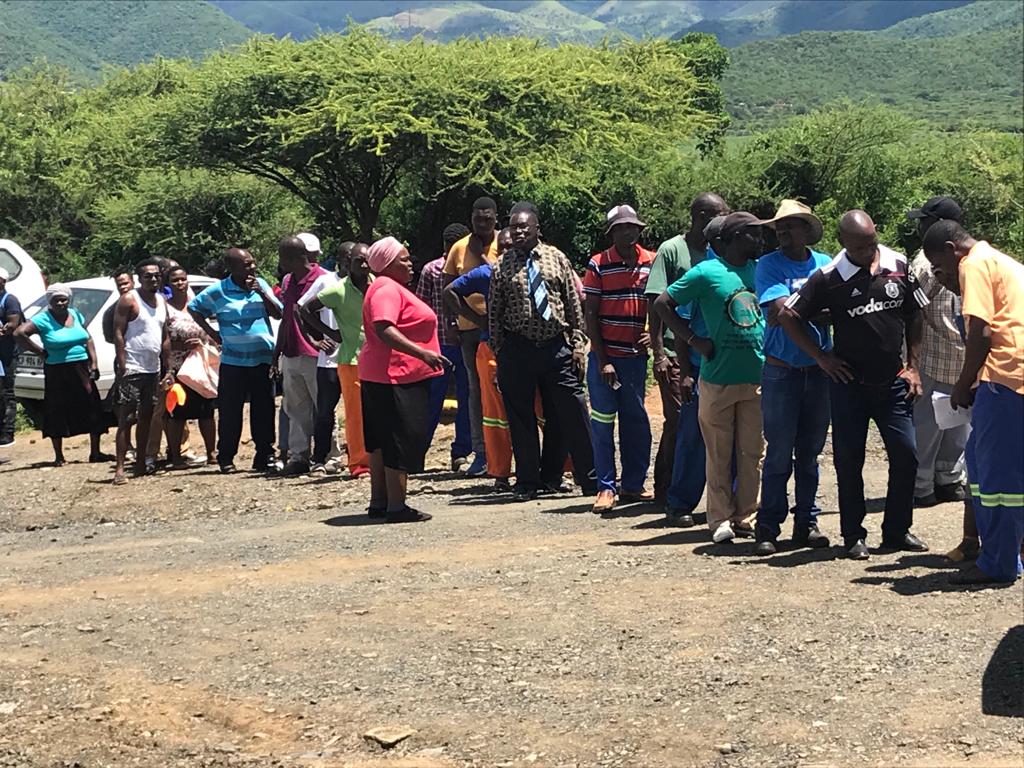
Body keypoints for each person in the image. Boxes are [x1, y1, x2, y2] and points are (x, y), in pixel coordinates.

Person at [780, 210, 930, 560]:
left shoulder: (897, 264)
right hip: (849, 384)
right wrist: (821, 357)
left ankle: (897, 530)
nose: (868, 252)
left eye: (872, 243)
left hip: (893, 381)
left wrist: (913, 367)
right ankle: (853, 536)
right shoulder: (830, 277)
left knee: (906, 454)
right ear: (843, 243)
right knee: (849, 461)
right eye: (860, 247)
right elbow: (788, 316)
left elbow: (915, 312)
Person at [654, 212, 766, 544]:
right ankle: (719, 519)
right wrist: (693, 341)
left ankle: (746, 516)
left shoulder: (761, 270)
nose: (760, 240)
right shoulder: (705, 272)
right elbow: (662, 304)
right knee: (718, 453)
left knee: (752, 454)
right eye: (753, 234)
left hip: (757, 378)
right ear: (735, 237)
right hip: (717, 379)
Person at [923, 220, 1024, 585]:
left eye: (940, 266)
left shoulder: (974, 264)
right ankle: (1003, 553)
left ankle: (998, 563)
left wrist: (963, 385)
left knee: (998, 477)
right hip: (1012, 379)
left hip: (1004, 378)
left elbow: (980, 331)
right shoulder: (1005, 262)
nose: (943, 275)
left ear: (953, 250)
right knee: (983, 464)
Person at [489, 207, 597, 502]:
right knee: (520, 417)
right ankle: (527, 480)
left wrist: (578, 345)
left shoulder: (556, 257)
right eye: (514, 227)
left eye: (525, 226)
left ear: (537, 228)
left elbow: (573, 304)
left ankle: (588, 478)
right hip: (517, 348)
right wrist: (500, 352)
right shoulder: (502, 266)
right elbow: (494, 313)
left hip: (555, 346)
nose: (519, 231)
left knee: (571, 410)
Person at [752, 200, 832, 555]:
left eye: (790, 225)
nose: (783, 232)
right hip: (781, 371)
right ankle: (768, 527)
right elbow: (777, 310)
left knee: (810, 454)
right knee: (779, 453)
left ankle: (806, 524)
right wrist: (809, 310)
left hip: (819, 372)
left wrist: (794, 311)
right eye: (779, 227)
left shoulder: (825, 263)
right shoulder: (768, 265)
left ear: (806, 230)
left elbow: (800, 312)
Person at [647, 193, 729, 514]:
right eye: (720, 214)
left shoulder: (721, 253)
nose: (724, 219)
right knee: (681, 422)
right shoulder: (672, 250)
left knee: (697, 425)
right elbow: (657, 303)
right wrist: (659, 353)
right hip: (677, 350)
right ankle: (668, 492)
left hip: (711, 355)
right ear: (701, 216)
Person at [360, 237, 447, 522]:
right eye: (404, 259)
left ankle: (380, 501)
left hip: (382, 374)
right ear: (387, 264)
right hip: (395, 376)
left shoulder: (383, 286)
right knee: (398, 438)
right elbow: (384, 327)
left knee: (380, 440)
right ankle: (397, 506)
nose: (411, 264)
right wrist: (422, 353)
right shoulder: (387, 289)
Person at [583, 204, 655, 513]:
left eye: (632, 227)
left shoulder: (652, 261)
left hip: (636, 358)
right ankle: (606, 487)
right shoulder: (599, 264)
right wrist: (604, 361)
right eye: (621, 227)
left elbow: (661, 303)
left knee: (635, 421)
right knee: (602, 423)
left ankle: (633, 485)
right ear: (612, 233)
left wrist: (653, 333)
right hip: (606, 358)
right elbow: (590, 314)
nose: (628, 232)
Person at [189, 248, 282, 474]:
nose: (252, 267)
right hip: (234, 362)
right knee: (231, 411)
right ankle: (226, 457)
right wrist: (213, 334)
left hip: (262, 359)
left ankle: (264, 455)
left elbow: (278, 313)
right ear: (232, 268)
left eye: (252, 263)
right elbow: (195, 308)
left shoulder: (260, 284)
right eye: (246, 264)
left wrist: (262, 292)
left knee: (264, 409)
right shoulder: (219, 290)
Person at [906, 197, 969, 508]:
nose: (919, 227)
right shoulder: (934, 263)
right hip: (948, 356)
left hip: (948, 357)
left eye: (923, 221)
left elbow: (913, 309)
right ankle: (934, 482)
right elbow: (914, 310)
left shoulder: (935, 262)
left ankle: (936, 482)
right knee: (942, 424)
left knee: (945, 426)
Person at [443, 227, 514, 491]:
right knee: (491, 409)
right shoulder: (486, 273)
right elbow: (449, 291)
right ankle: (495, 467)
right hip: (490, 347)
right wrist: (476, 318)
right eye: (502, 248)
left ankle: (541, 468)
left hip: (525, 350)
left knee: (532, 408)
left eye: (511, 247)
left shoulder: (534, 269)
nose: (507, 252)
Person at [13, 284, 111, 465]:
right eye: (56, 300)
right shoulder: (43, 319)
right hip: (57, 370)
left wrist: (94, 363)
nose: (60, 303)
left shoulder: (75, 314)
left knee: (92, 406)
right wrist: (40, 352)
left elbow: (88, 338)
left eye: (63, 299)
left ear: (69, 300)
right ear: (49, 301)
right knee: (56, 409)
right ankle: (59, 456)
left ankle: (95, 452)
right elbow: (19, 333)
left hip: (81, 367)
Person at [301, 243, 372, 478]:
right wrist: (327, 335)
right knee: (351, 415)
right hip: (349, 360)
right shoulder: (337, 289)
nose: (364, 265)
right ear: (347, 263)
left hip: (376, 359)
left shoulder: (378, 285)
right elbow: (304, 310)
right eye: (358, 260)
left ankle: (378, 460)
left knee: (376, 412)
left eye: (367, 260)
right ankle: (358, 463)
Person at [444, 197, 500, 477]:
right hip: (471, 332)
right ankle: (481, 452)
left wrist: (480, 255)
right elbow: (448, 290)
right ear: (471, 219)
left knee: (507, 389)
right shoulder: (458, 248)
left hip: (506, 331)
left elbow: (499, 276)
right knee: (475, 391)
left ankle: (512, 452)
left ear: (496, 219)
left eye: (488, 219)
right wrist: (463, 321)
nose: (483, 224)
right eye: (478, 219)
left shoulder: (508, 241)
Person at [417, 224, 472, 470]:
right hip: (438, 346)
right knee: (431, 400)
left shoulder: (470, 267)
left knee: (467, 399)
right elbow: (420, 307)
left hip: (465, 343)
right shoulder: (432, 270)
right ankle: (418, 452)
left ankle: (461, 452)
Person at [273, 234, 329, 474]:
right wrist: (277, 352)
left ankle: (329, 455)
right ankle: (299, 456)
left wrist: (322, 341)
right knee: (295, 408)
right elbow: (287, 318)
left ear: (296, 257)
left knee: (323, 408)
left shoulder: (324, 279)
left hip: (316, 354)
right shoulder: (287, 281)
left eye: (283, 257)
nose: (280, 263)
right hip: (291, 351)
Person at [112, 259, 170, 485]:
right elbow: (118, 332)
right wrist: (123, 364)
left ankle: (141, 463)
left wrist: (167, 367)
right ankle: (119, 468)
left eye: (156, 275)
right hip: (132, 367)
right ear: (139, 279)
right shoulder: (129, 299)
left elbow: (164, 335)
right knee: (126, 417)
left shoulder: (162, 301)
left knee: (147, 416)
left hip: (152, 368)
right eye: (148, 276)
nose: (153, 279)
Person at [293, 241, 343, 475]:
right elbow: (301, 309)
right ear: (340, 260)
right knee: (324, 412)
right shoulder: (326, 281)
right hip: (330, 360)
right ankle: (319, 459)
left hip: (358, 358)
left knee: (361, 410)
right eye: (348, 258)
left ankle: (359, 458)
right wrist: (317, 339)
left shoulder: (367, 283)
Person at [163, 266, 217, 469]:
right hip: (178, 367)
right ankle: (176, 456)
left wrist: (207, 343)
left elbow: (208, 332)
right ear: (168, 284)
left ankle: (212, 453)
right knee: (177, 413)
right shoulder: (165, 309)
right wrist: (179, 346)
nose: (180, 283)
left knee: (206, 411)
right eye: (175, 280)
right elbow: (162, 339)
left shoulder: (197, 306)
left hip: (201, 367)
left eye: (183, 279)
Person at [0, 266, 24, 448]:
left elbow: (12, 324)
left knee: (7, 392)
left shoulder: (10, 300)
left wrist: (5, 328)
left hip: (6, 354)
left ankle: (8, 433)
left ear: (2, 281)